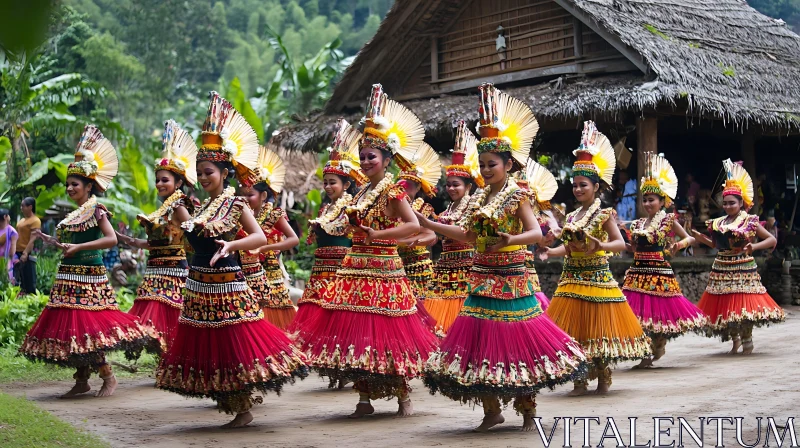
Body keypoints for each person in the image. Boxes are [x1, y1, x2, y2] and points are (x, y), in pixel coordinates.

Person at [422, 84, 586, 432]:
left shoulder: (517, 194)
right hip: (482, 275)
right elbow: (467, 236)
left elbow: (536, 234)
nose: (486, 169)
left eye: (491, 164)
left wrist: (512, 238)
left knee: (516, 341)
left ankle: (527, 410)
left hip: (511, 278)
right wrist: (429, 224)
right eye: (481, 164)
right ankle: (491, 409)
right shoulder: (480, 198)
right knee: (479, 340)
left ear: (508, 164)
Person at [155, 92, 307, 428]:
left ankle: (242, 406)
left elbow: (260, 238)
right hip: (198, 284)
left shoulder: (236, 205)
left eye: (209, 171)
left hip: (227, 282)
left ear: (224, 172)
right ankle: (234, 403)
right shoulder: (199, 208)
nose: (204, 177)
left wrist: (231, 245)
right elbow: (188, 232)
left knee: (232, 341)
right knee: (211, 343)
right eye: (199, 172)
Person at [296, 84, 438, 418]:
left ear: (387, 159)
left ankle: (403, 395)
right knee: (357, 333)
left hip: (384, 270)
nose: (365, 161)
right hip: (354, 268)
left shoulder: (393, 190)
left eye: (371, 157)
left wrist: (378, 233)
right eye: (362, 157)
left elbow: (413, 227)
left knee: (389, 332)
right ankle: (363, 398)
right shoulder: (358, 194)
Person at [20, 125, 150, 398]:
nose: (69, 188)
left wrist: (79, 246)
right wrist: (51, 240)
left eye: (75, 184)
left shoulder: (97, 209)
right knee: (71, 329)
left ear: (89, 186)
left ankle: (108, 377)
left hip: (89, 277)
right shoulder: (73, 214)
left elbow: (111, 239)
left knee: (86, 328)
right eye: (68, 184)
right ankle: (81, 381)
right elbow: (70, 245)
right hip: (68, 275)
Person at [545, 121, 651, 395]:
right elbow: (569, 248)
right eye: (575, 185)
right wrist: (549, 250)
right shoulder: (570, 216)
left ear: (595, 187)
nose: (578, 190)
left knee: (597, 329)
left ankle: (603, 375)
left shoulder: (604, 214)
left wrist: (599, 246)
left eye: (583, 185)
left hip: (596, 278)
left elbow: (620, 243)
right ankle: (579, 380)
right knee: (573, 330)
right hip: (571, 278)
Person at [116, 120, 196, 354]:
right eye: (158, 179)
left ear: (178, 182)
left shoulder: (179, 205)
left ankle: (176, 360)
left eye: (165, 180)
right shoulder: (163, 207)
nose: (159, 184)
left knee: (170, 317)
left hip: (173, 271)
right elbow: (158, 244)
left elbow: (191, 232)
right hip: (155, 269)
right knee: (155, 318)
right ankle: (168, 361)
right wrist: (132, 241)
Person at [622, 153, 707, 368]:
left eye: (652, 200)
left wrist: (678, 245)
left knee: (657, 313)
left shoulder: (668, 220)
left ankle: (657, 344)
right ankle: (645, 355)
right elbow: (633, 248)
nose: (648, 203)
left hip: (658, 271)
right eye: (645, 199)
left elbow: (688, 237)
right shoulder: (639, 223)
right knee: (636, 315)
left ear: (662, 201)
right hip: (638, 270)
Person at [692, 159, 785, 355]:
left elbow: (771, 240)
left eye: (732, 203)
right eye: (725, 203)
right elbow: (717, 245)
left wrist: (753, 246)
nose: (727, 206)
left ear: (741, 203)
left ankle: (747, 339)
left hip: (742, 265)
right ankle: (735, 341)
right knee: (726, 305)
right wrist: (702, 239)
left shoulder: (749, 221)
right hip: (722, 266)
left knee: (742, 304)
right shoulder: (718, 222)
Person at [289, 118, 366, 334]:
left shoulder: (353, 208)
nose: (328, 187)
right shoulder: (324, 211)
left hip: (342, 270)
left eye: (333, 182)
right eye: (326, 182)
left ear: (347, 184)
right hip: (320, 269)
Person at [425, 120, 478, 336]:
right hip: (444, 268)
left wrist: (430, 224)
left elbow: (467, 236)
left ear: (468, 187)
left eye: (456, 184)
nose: (451, 188)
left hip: (466, 268)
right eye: (448, 184)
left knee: (459, 316)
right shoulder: (448, 209)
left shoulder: (473, 207)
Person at [242, 144, 299, 330]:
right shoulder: (240, 215)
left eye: (250, 195)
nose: (245, 199)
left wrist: (266, 248)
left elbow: (293, 239)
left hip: (269, 271)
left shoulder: (274, 215)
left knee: (272, 315)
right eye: (243, 195)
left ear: (263, 195)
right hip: (246, 270)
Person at [396, 142, 441, 302]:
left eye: (407, 187)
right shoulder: (392, 208)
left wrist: (408, 241)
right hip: (396, 266)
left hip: (418, 267)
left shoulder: (422, 209)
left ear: (417, 189)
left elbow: (431, 236)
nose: (403, 190)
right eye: (399, 186)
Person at [516, 160, 561, 310]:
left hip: (525, 262)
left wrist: (544, 238)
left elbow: (545, 239)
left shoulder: (539, 214)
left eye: (526, 190)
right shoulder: (504, 204)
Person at [14, 198, 40, 295]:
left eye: (23, 206)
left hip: (26, 253)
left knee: (29, 279)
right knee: (20, 279)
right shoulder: (22, 220)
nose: (21, 208)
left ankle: (32, 300)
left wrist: (25, 253)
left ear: (30, 207)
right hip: (17, 252)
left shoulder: (35, 221)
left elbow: (32, 239)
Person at [0, 209, 19, 284]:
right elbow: (12, 251)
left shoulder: (11, 231)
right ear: (5, 217)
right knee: (6, 281)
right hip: (6, 260)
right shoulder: (11, 231)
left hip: (5, 259)